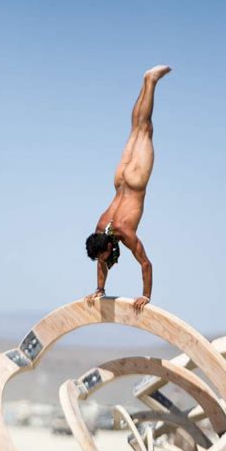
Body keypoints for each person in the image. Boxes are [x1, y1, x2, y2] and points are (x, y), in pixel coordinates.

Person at [84, 65, 171, 311]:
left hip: (134, 181)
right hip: (120, 179)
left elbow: (146, 264)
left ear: (108, 245)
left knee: (146, 129)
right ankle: (147, 81)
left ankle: (150, 81)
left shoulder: (122, 231)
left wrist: (146, 296)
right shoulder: (101, 229)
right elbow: (100, 263)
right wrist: (100, 290)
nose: (104, 261)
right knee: (136, 128)